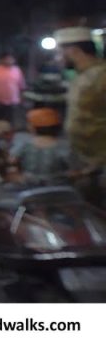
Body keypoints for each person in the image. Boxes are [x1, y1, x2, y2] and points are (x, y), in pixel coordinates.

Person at [55, 26, 106, 205]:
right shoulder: (78, 76)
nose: (58, 58)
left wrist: (97, 165)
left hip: (99, 165)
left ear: (74, 51)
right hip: (82, 160)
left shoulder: (102, 76)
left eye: (60, 53)